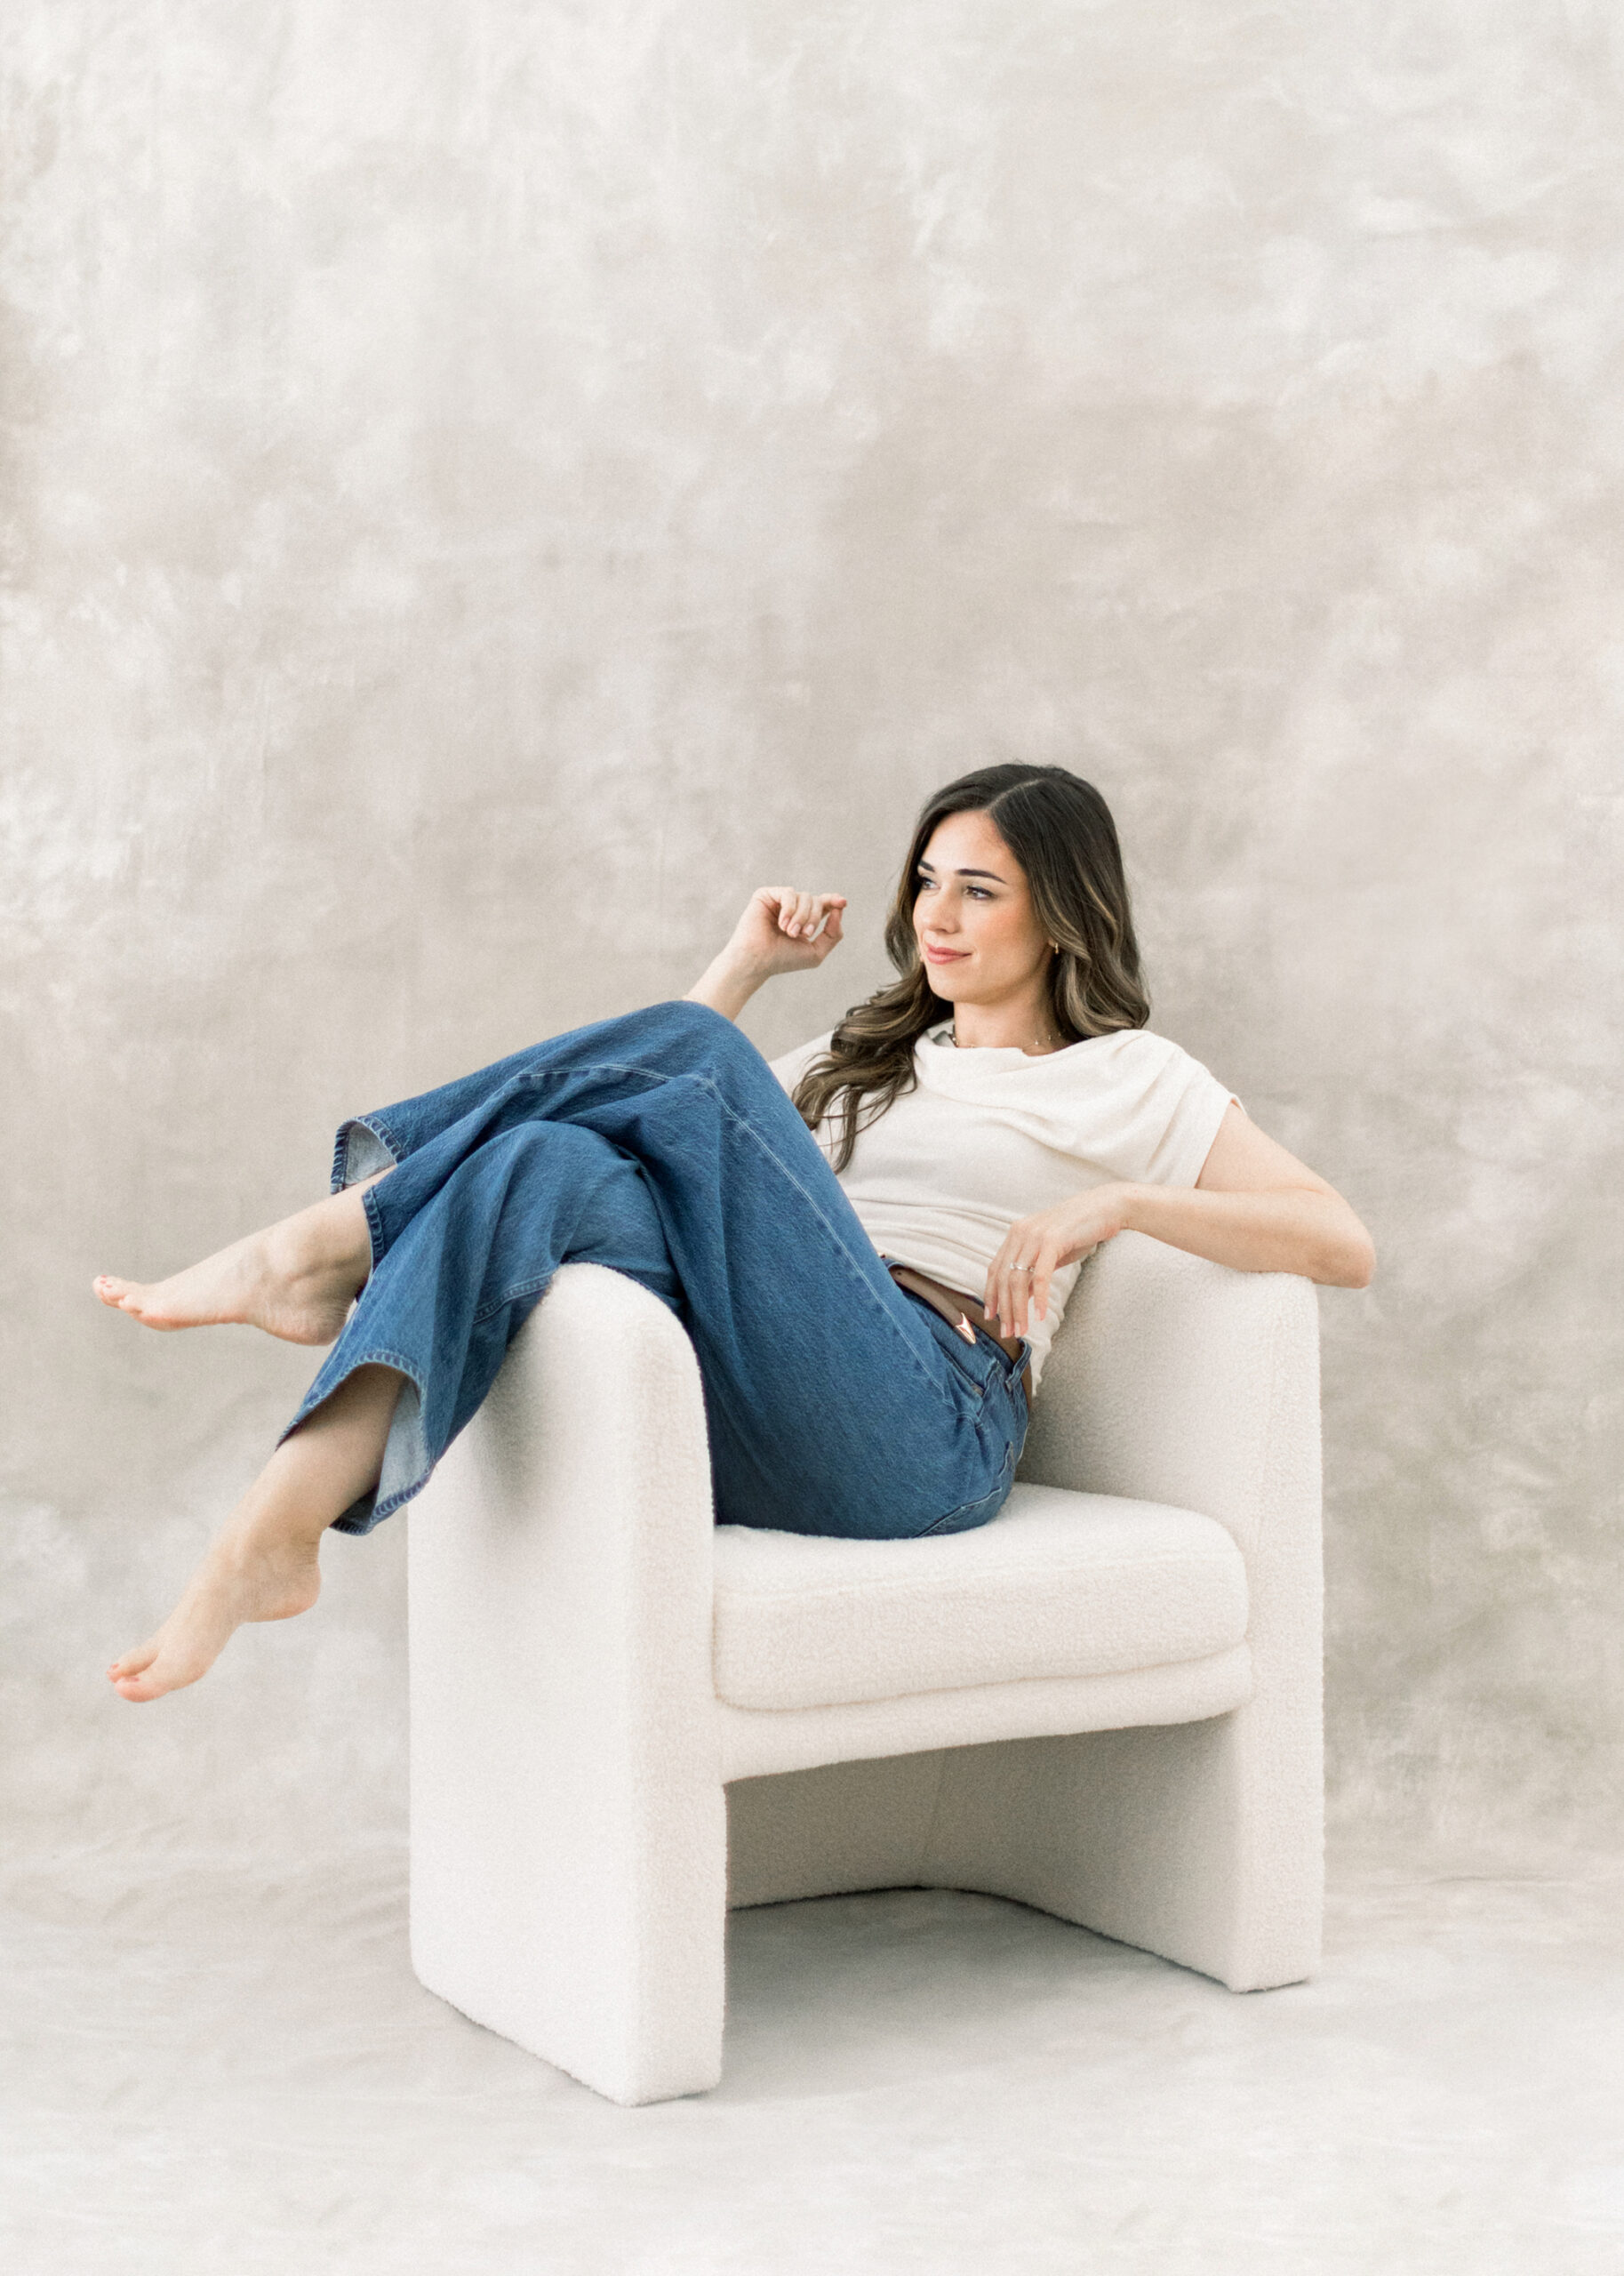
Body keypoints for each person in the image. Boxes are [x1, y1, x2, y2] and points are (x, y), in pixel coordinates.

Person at [94, 764, 1374, 1703]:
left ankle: (324, 1247)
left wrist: (1120, 1202)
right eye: (927, 880)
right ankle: (285, 1523)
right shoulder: (868, 1057)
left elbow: (1339, 1238)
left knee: (686, 1075)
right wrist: (743, 968)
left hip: (925, 1424)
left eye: (978, 891)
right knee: (549, 1159)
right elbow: (645, 1098)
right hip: (761, 1405)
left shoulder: (1131, 1077)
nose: (936, 914)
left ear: (1061, 916)